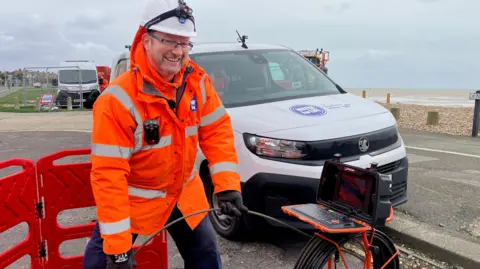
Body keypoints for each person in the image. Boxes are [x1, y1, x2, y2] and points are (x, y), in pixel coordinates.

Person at [82, 0, 248, 268]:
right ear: (147, 41)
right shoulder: (117, 100)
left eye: (184, 43)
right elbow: (109, 173)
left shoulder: (198, 82)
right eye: (169, 41)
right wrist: (118, 250)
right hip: (135, 201)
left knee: (206, 256)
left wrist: (227, 185)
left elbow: (217, 132)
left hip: (184, 194)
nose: (178, 51)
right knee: (100, 264)